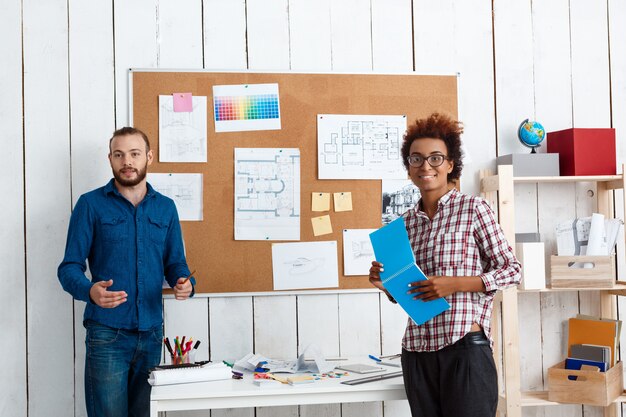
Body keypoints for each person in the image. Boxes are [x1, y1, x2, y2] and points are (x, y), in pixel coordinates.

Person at [369, 113, 521, 417]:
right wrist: (387, 286)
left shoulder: (473, 209)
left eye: (436, 158)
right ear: (409, 168)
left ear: (450, 164)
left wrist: (455, 284)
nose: (426, 166)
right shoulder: (404, 224)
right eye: (417, 159)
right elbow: (414, 291)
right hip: (416, 351)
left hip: (464, 347)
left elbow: (512, 270)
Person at [58, 127, 195, 417]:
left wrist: (186, 283)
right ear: (110, 159)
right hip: (107, 335)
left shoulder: (166, 208)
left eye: (134, 154)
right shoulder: (90, 204)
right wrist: (89, 291)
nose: (127, 161)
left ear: (149, 157)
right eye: (119, 155)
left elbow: (176, 264)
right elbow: (69, 268)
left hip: (151, 335)